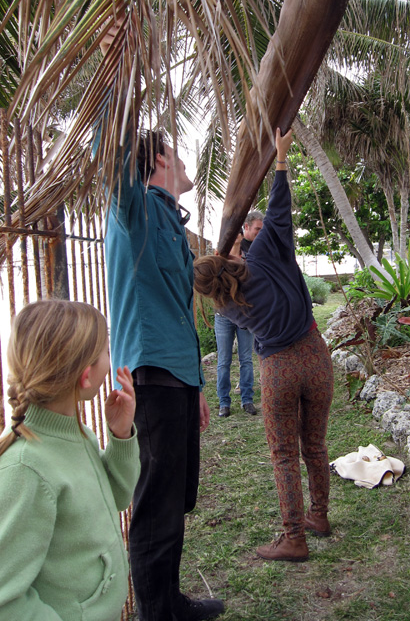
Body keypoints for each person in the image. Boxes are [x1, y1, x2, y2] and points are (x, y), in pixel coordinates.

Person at [193, 128, 334, 562]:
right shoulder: (267, 255)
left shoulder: (226, 308)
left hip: (278, 369)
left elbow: (238, 267)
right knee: (315, 444)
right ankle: (321, 516)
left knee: (283, 455)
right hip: (314, 354)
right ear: (233, 254)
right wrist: (281, 160)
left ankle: (294, 537)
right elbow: (278, 213)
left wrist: (230, 252)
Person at [104, 126, 224, 621]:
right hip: (149, 378)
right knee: (155, 504)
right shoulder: (133, 210)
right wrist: (117, 61)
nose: (182, 158)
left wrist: (195, 382)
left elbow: (177, 308)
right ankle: (155, 613)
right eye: (173, 149)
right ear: (154, 160)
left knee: (176, 498)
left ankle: (169, 601)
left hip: (175, 376)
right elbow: (109, 147)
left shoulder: (168, 218)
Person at [0, 299, 140, 621]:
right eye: (106, 349)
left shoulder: (76, 433)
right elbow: (5, 601)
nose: (112, 357)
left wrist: (120, 436)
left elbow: (118, 497)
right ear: (86, 376)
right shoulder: (26, 469)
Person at [216, 230, 257, 417]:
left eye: (237, 233)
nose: (234, 237)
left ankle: (247, 399)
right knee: (224, 362)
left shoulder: (248, 258)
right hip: (223, 316)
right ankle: (224, 402)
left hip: (244, 314)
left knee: (246, 359)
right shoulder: (218, 259)